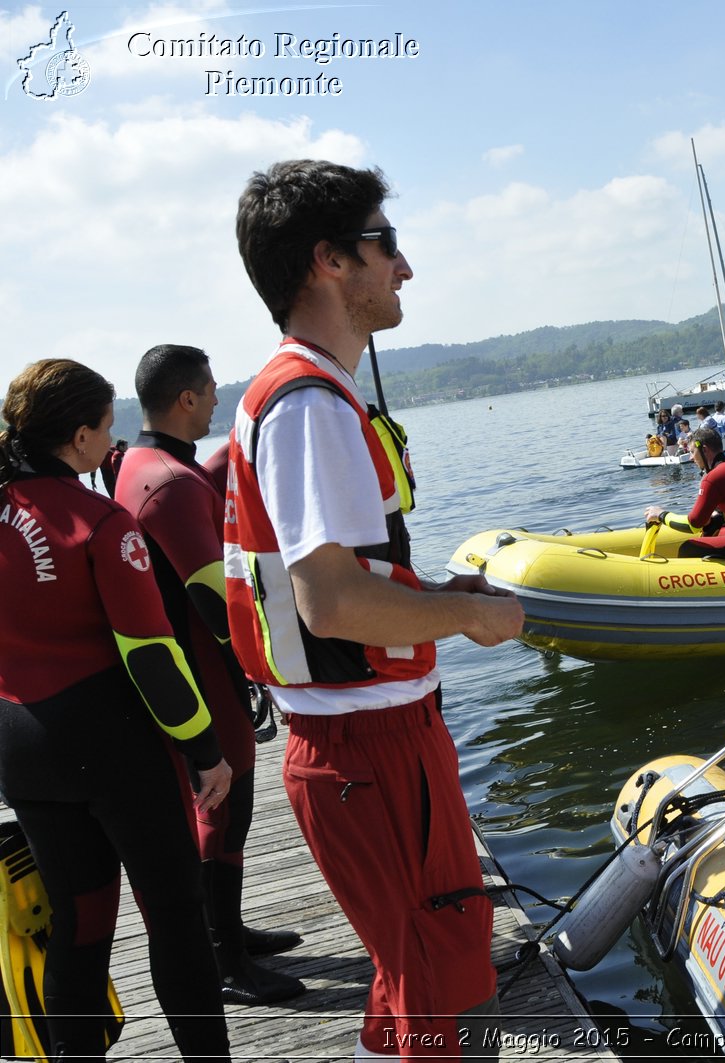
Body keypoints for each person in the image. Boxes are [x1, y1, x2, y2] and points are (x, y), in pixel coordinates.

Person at [228, 159, 525, 1058]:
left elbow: (342, 578)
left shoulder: (299, 392)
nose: (405, 267)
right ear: (330, 261)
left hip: (367, 741)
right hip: (372, 753)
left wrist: (439, 595)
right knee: (436, 989)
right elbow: (331, 603)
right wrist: (472, 618)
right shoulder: (310, 404)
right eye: (385, 244)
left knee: (414, 978)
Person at [0, 358, 232, 1060]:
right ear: (76, 437)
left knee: (80, 918)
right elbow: (151, 658)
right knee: (175, 918)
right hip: (110, 744)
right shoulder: (102, 522)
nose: (113, 442)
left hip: (18, 743)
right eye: (105, 428)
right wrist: (206, 749)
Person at [116, 343, 305, 1006]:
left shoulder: (140, 464)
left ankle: (228, 929)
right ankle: (224, 959)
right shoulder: (168, 480)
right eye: (210, 389)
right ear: (186, 398)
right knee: (227, 809)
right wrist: (252, 672)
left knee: (228, 813)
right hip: (198, 670)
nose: (218, 400)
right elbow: (214, 601)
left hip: (189, 665)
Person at [645, 425, 725, 560]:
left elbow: (693, 525)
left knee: (688, 547)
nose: (690, 458)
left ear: (704, 450)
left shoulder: (713, 477)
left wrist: (661, 514)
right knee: (713, 525)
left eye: (692, 452)